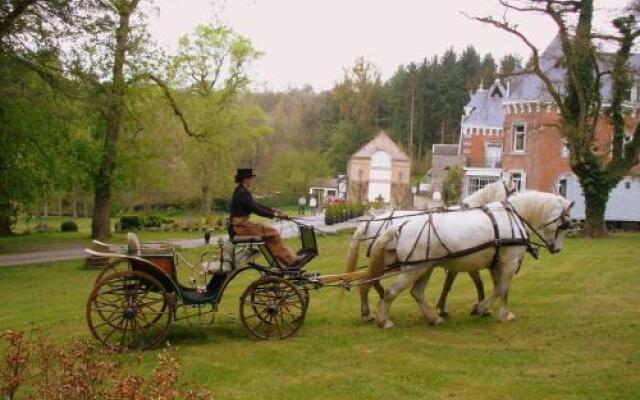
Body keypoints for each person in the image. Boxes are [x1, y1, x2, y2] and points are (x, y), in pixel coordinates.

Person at [229, 168, 303, 269]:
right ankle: (291, 261)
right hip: (241, 227)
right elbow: (256, 209)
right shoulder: (242, 193)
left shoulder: (241, 191)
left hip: (241, 226)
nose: (252, 181)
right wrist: (275, 215)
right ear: (245, 179)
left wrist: (273, 210)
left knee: (269, 235)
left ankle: (281, 263)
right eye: (251, 178)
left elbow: (256, 205)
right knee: (273, 232)